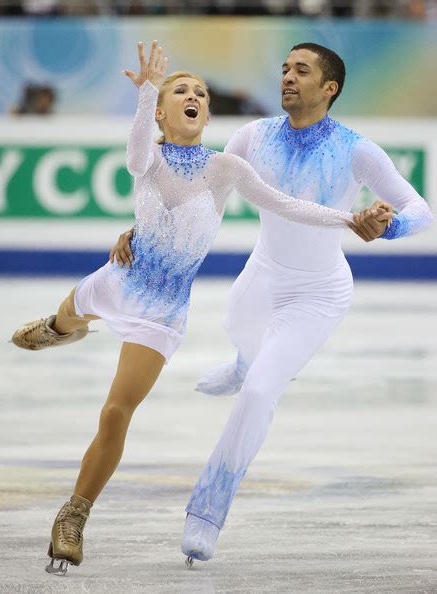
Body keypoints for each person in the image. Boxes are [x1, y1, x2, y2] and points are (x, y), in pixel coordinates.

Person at [10, 41, 369, 576]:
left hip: (162, 312)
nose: (193, 95)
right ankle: (62, 329)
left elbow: (289, 204)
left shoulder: (226, 169)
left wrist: (348, 220)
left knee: (115, 412)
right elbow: (136, 156)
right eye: (181, 90)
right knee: (72, 310)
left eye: (200, 91)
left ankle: (73, 517)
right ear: (161, 110)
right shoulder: (149, 153)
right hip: (121, 277)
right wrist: (144, 95)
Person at [110, 42, 432, 567]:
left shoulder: (356, 149)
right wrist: (140, 229)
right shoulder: (252, 136)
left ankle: (206, 515)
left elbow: (421, 209)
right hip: (259, 282)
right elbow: (193, 185)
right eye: (284, 68)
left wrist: (389, 225)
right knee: (240, 334)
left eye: (301, 71)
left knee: (260, 392)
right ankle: (243, 360)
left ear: (329, 88)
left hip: (319, 293)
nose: (287, 77)